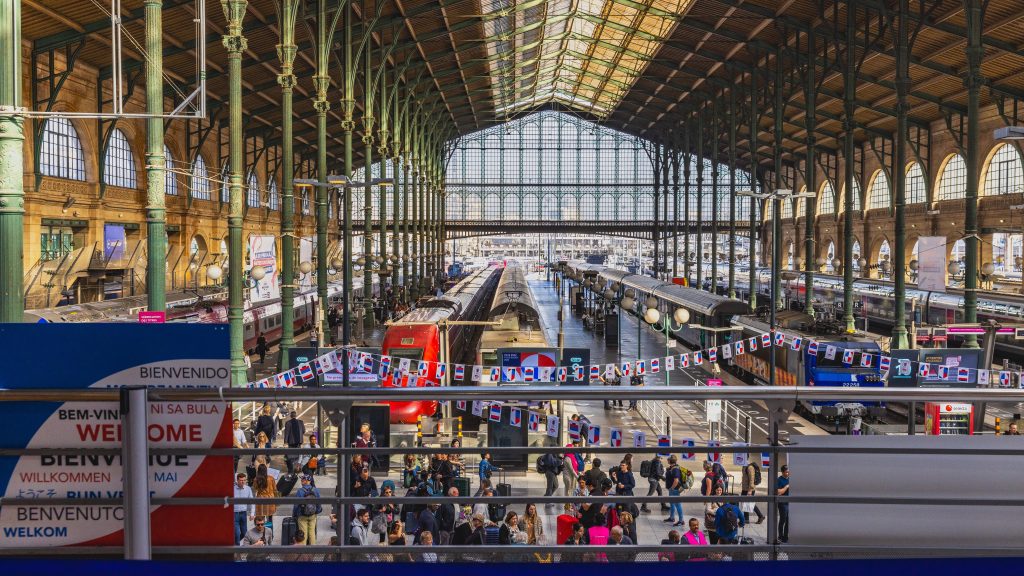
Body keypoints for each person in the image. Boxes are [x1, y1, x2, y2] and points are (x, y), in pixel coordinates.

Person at [293, 474, 322, 545]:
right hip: (313, 515)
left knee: (303, 534)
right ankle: (313, 551)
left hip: (302, 516)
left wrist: (295, 514)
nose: (301, 480)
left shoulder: (300, 491)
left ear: (308, 481)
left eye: (303, 479)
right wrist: (317, 512)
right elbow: (319, 503)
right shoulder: (315, 490)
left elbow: (296, 505)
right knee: (312, 533)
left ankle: (303, 552)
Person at [252, 464, 278, 543]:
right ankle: (271, 535)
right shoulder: (271, 478)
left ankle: (261, 536)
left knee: (260, 519)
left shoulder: (256, 479)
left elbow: (255, 488)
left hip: (261, 499)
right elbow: (275, 489)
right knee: (270, 519)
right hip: (270, 499)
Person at [233, 472, 254, 544]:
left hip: (243, 514)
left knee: (244, 533)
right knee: (237, 533)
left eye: (244, 480)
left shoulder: (248, 489)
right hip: (234, 514)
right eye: (241, 480)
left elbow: (252, 502)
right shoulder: (232, 489)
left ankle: (235, 544)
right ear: (237, 480)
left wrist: (252, 513)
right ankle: (237, 551)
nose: (243, 482)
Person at [664, 455, 685, 526]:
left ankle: (681, 520)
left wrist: (672, 488)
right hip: (672, 489)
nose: (667, 461)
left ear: (670, 461)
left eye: (668, 460)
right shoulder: (672, 467)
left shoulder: (675, 469)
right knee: (672, 503)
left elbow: (676, 480)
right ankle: (672, 517)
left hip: (675, 489)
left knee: (678, 505)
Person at [776, 465, 791, 544]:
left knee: (789, 521)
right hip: (782, 503)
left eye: (788, 471)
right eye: (786, 472)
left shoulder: (791, 479)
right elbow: (779, 492)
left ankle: (785, 537)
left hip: (790, 503)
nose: (788, 473)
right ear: (782, 472)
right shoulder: (779, 480)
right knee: (783, 519)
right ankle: (780, 536)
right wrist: (786, 487)